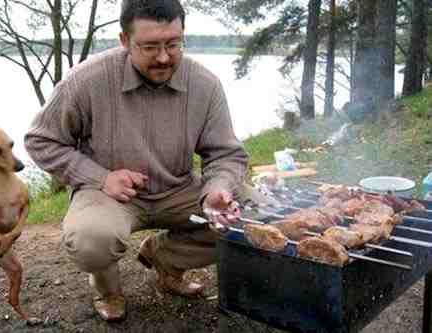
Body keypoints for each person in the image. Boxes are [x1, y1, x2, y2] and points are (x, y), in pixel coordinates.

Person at [24, 0, 264, 322]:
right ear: (124, 40)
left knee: (256, 216)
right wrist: (99, 177)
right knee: (91, 239)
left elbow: (225, 153)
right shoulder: (86, 80)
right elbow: (41, 140)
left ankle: (166, 258)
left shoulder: (205, 84)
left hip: (179, 188)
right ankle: (108, 291)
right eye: (150, 46)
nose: (164, 57)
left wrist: (217, 188)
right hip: (109, 193)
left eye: (173, 44)